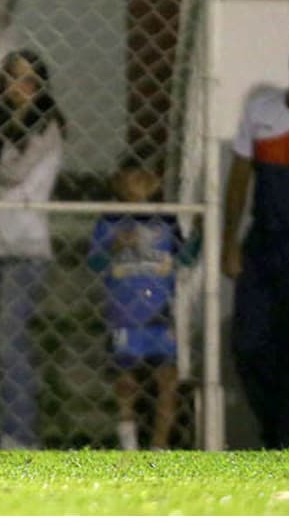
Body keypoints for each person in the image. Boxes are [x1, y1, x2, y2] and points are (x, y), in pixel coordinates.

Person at [223, 28, 289, 450]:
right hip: (263, 245)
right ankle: (278, 434)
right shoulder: (261, 110)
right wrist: (230, 242)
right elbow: (239, 178)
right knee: (250, 345)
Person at [0, 48, 66, 450]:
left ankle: (20, 435)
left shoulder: (47, 127)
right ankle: (13, 428)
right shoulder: (4, 130)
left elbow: (13, 175)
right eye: (12, 79)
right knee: (3, 341)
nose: (19, 88)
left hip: (27, 246)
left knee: (9, 338)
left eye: (28, 81)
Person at [87, 157, 197, 451]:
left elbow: (185, 259)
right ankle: (129, 444)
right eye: (129, 177)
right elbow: (95, 263)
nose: (137, 183)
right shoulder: (109, 221)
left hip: (159, 312)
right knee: (126, 382)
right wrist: (114, 247)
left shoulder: (167, 220)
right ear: (118, 183)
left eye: (143, 176)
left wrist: (199, 234)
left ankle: (159, 446)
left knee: (167, 380)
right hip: (124, 314)